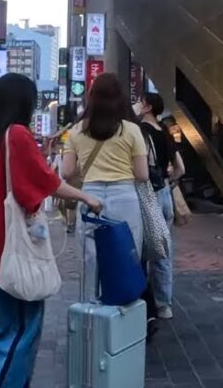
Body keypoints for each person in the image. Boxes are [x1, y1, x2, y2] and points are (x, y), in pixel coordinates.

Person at [0, 73, 101, 388]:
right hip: (6, 245)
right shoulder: (17, 134)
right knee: (19, 327)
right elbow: (46, 183)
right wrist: (86, 197)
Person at [62, 73, 150, 296]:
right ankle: (122, 314)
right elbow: (142, 174)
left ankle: (93, 311)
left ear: (91, 98)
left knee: (90, 260)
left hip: (90, 198)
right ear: (120, 98)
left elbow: (66, 172)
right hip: (125, 198)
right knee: (126, 259)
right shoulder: (131, 130)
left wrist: (88, 165)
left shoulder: (76, 131)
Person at [137, 93, 184, 319]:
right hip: (166, 193)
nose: (136, 104)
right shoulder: (166, 131)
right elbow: (180, 168)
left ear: (146, 106)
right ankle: (163, 303)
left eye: (139, 100)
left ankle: (141, 300)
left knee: (143, 249)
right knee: (164, 249)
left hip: (148, 195)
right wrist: (170, 182)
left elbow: (142, 169)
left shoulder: (140, 131)